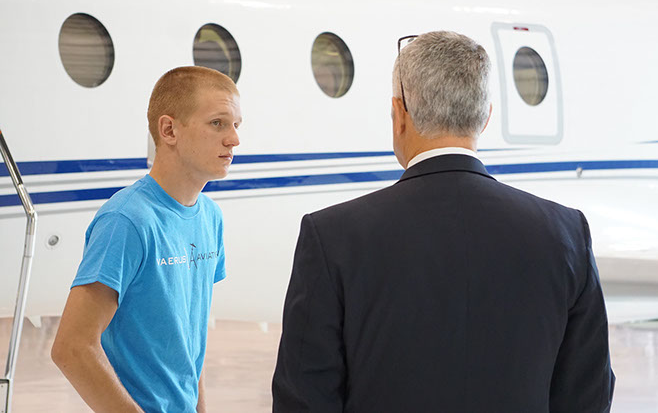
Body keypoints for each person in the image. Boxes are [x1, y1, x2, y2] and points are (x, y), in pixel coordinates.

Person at [272, 31, 615, 412]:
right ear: (485, 118)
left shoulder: (332, 236)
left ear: (399, 115)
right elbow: (588, 396)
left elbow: (304, 400)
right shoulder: (566, 234)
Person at [51, 66, 241, 412]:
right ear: (169, 130)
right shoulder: (126, 220)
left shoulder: (210, 217)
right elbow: (73, 347)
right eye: (218, 123)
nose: (234, 139)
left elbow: (188, 341)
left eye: (236, 126)